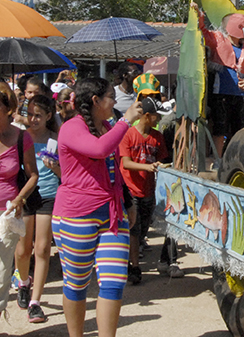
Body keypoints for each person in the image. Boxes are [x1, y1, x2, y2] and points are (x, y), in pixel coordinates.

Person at [52, 78, 141, 337]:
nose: (115, 102)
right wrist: (126, 120)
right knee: (77, 284)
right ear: (95, 101)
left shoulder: (107, 126)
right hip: (76, 216)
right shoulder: (71, 128)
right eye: (111, 97)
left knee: (114, 284)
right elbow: (99, 150)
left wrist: (128, 203)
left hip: (113, 215)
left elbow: (116, 169)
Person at [0, 82, 38, 336]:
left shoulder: (22, 137)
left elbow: (32, 175)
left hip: (6, 215)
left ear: (8, 109)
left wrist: (20, 199)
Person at [14, 94, 59, 323]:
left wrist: (56, 167)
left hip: (49, 196)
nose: (33, 119)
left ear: (49, 116)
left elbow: (65, 175)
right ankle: (23, 282)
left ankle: (35, 302)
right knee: (23, 250)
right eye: (29, 114)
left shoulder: (56, 139)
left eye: (38, 115)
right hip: (25, 195)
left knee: (41, 249)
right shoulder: (21, 138)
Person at [192, 2, 244, 157]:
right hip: (220, 94)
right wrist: (199, 14)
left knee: (239, 129)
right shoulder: (218, 39)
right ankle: (218, 160)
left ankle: (236, 159)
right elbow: (203, 32)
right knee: (220, 128)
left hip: (240, 96)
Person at [119, 96, 170, 285]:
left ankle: (131, 259)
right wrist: (148, 167)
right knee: (134, 228)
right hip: (131, 189)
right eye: (156, 116)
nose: (158, 119)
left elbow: (163, 159)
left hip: (149, 190)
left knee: (143, 228)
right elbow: (125, 162)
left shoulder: (157, 137)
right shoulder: (128, 135)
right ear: (147, 116)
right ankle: (134, 266)